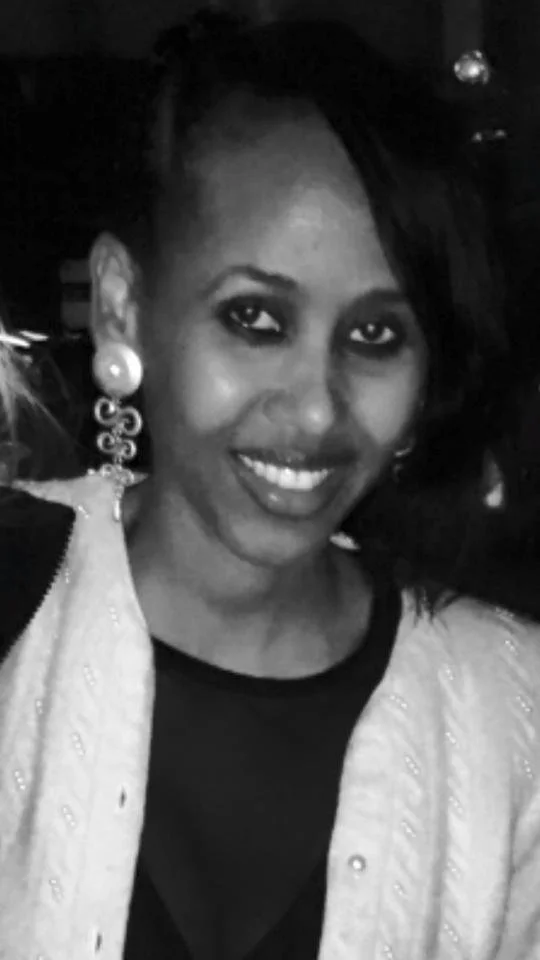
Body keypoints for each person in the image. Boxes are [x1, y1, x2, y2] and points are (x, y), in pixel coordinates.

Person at [1, 11, 540, 960]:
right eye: (254, 319)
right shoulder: (17, 600)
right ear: (125, 305)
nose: (318, 410)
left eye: (375, 335)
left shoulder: (513, 711)